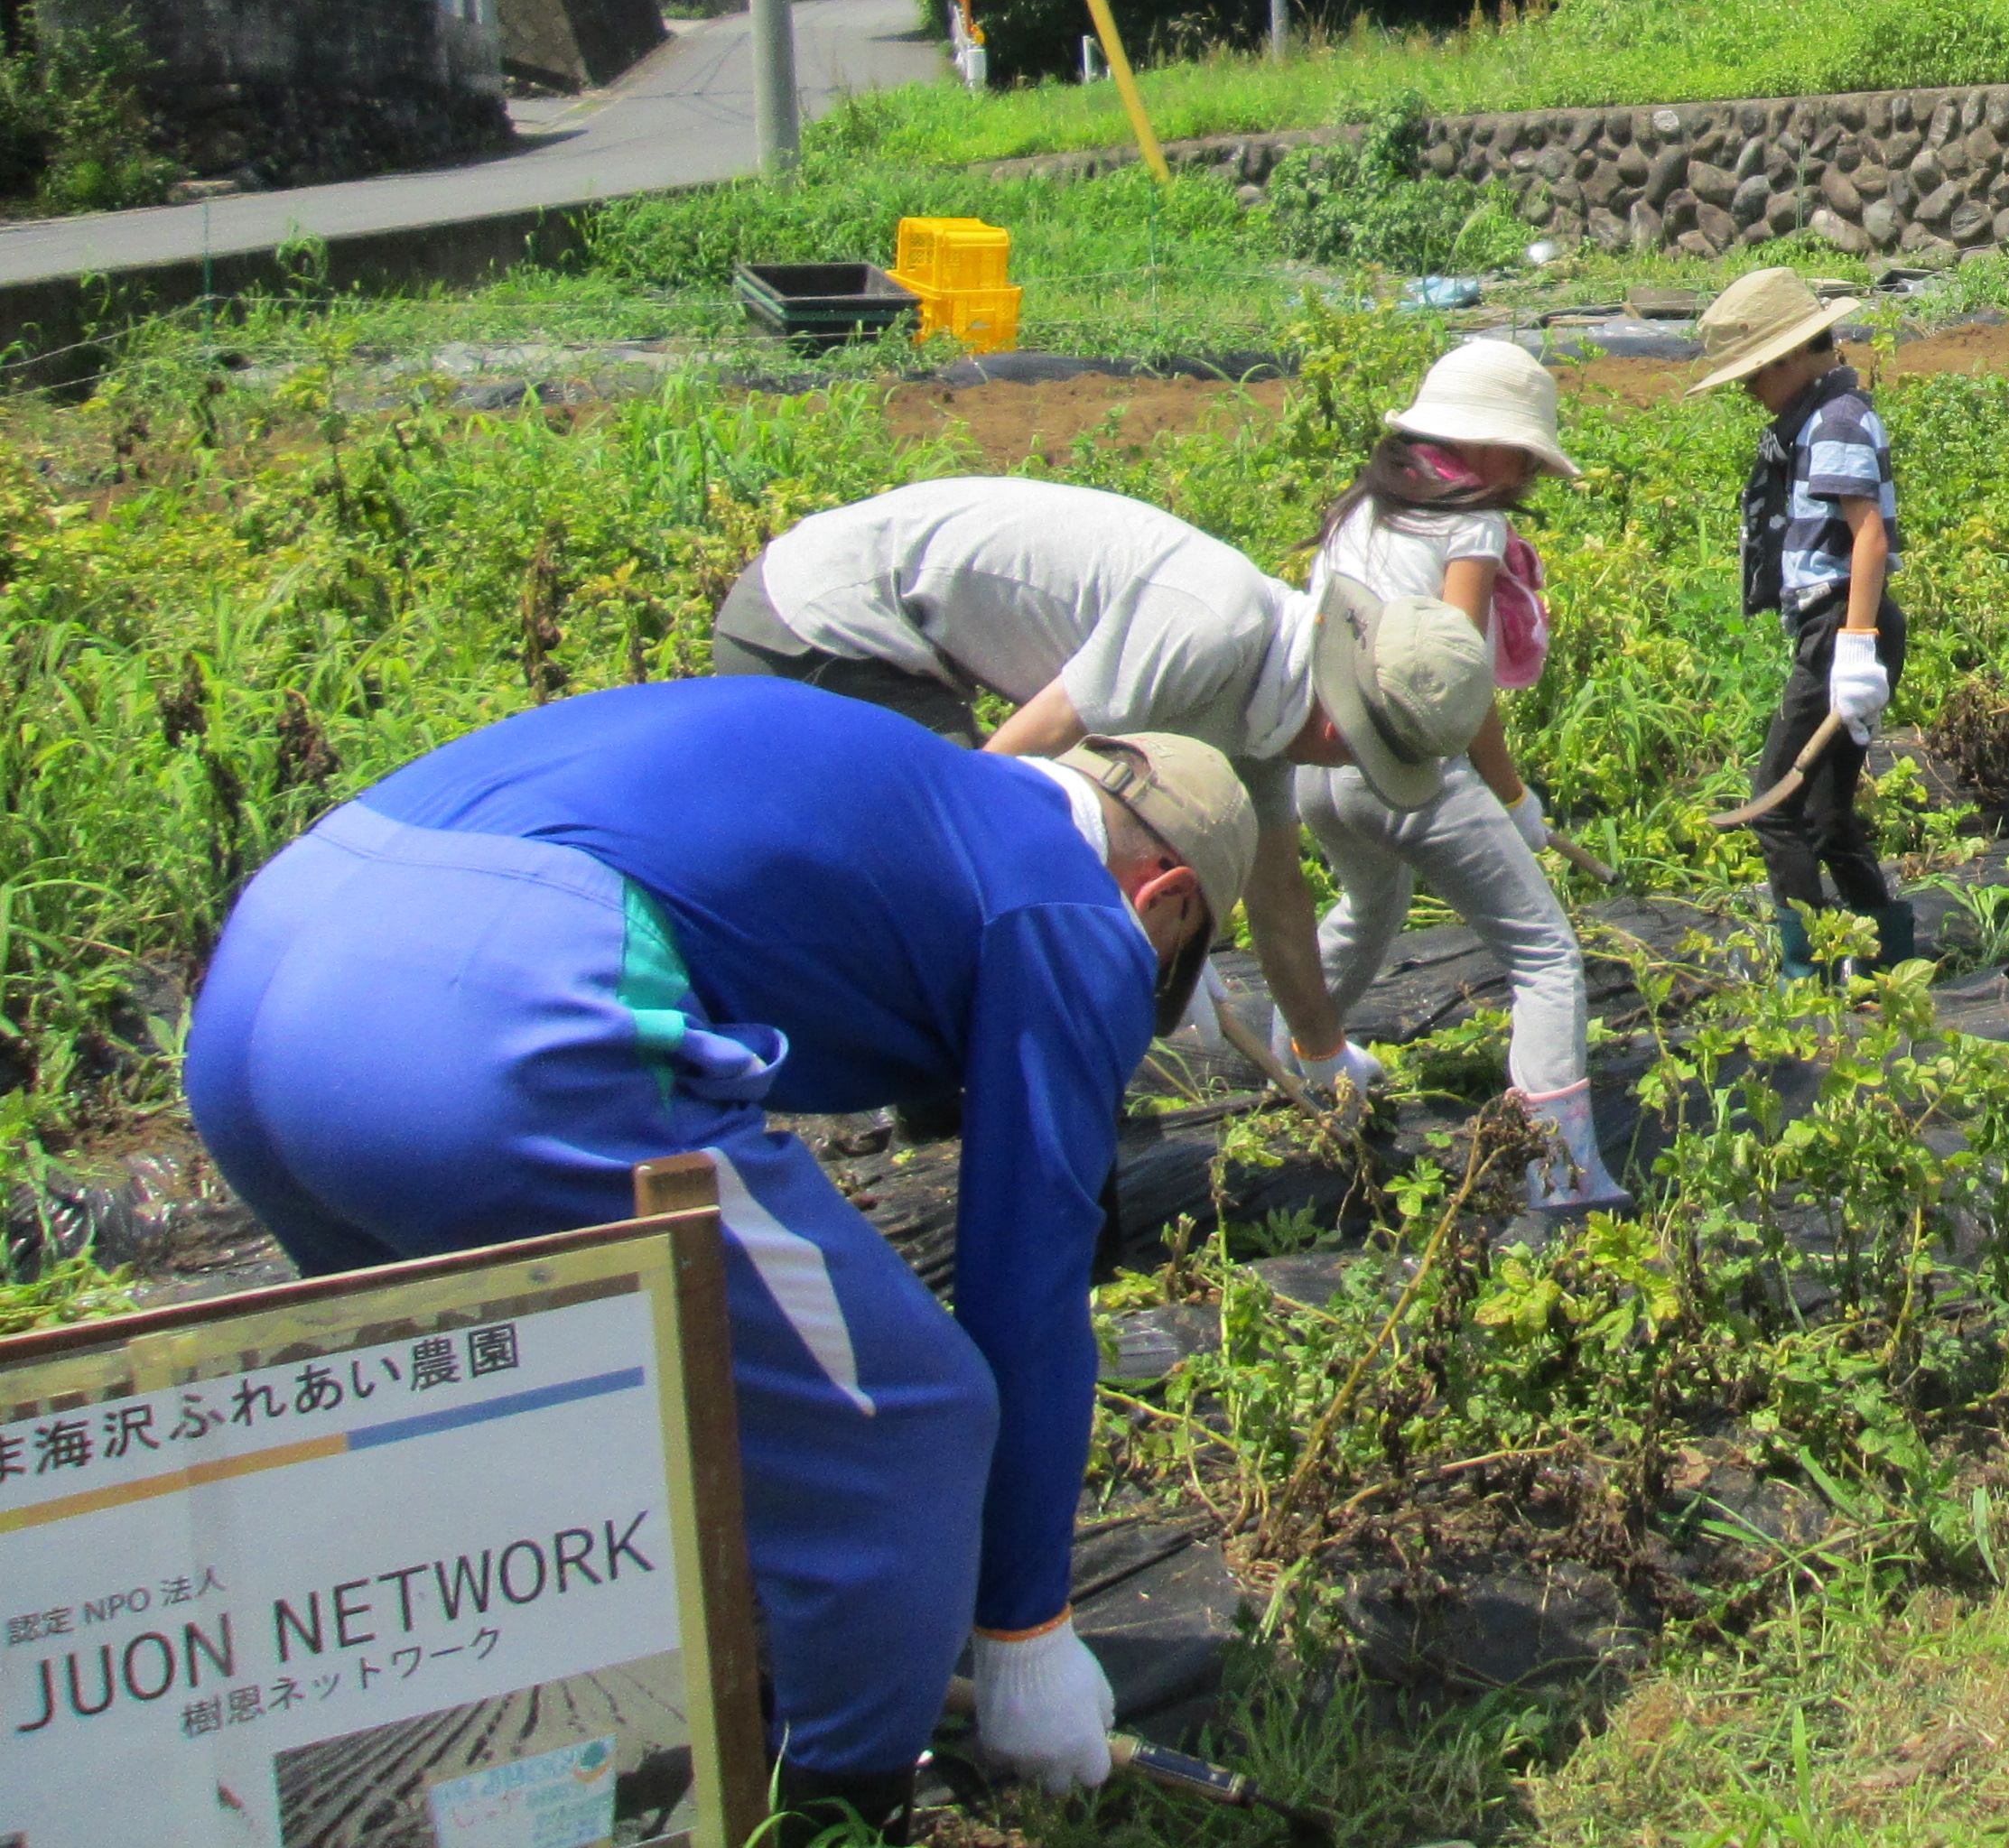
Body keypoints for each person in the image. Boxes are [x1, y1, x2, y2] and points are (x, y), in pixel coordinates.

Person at [186, 681, 1258, 1839]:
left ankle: (562, 1775)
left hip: (262, 995)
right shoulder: (1071, 909)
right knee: (908, 1415)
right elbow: (1027, 1295)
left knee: (565, 1426)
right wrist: (1025, 1632)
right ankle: (830, 1816)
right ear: (1167, 899)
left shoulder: (933, 793)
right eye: (1168, 963)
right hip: (492, 1024)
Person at [712, 477, 1492, 1103]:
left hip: (895, 636)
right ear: (1341, 729)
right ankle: (922, 1092)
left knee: (1014, 920)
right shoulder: (1213, 627)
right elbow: (997, 789)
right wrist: (1147, 948)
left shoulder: (1278, 693)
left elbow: (1279, 893)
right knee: (966, 891)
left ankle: (949, 1086)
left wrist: (1323, 1059)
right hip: (821, 622)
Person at [1304, 336, 1625, 1212]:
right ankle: (1561, 1174)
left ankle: (1303, 1064)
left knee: (1370, 906)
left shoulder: (1361, 508)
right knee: (1546, 953)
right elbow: (1459, 677)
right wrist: (1510, 794)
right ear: (1485, 443)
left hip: (1319, 757)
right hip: (1404, 769)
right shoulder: (1471, 523)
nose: (1524, 474)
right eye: (1521, 454)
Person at [1692, 267, 1916, 973]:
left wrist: (1853, 648)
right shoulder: (1823, 416)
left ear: (1790, 356)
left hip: (1844, 621)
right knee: (1826, 813)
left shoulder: (1838, 420)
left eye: (1754, 374)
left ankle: (1806, 973)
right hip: (1847, 622)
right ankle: (1882, 961)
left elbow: (1869, 536)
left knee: (1774, 808)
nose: (1749, 391)